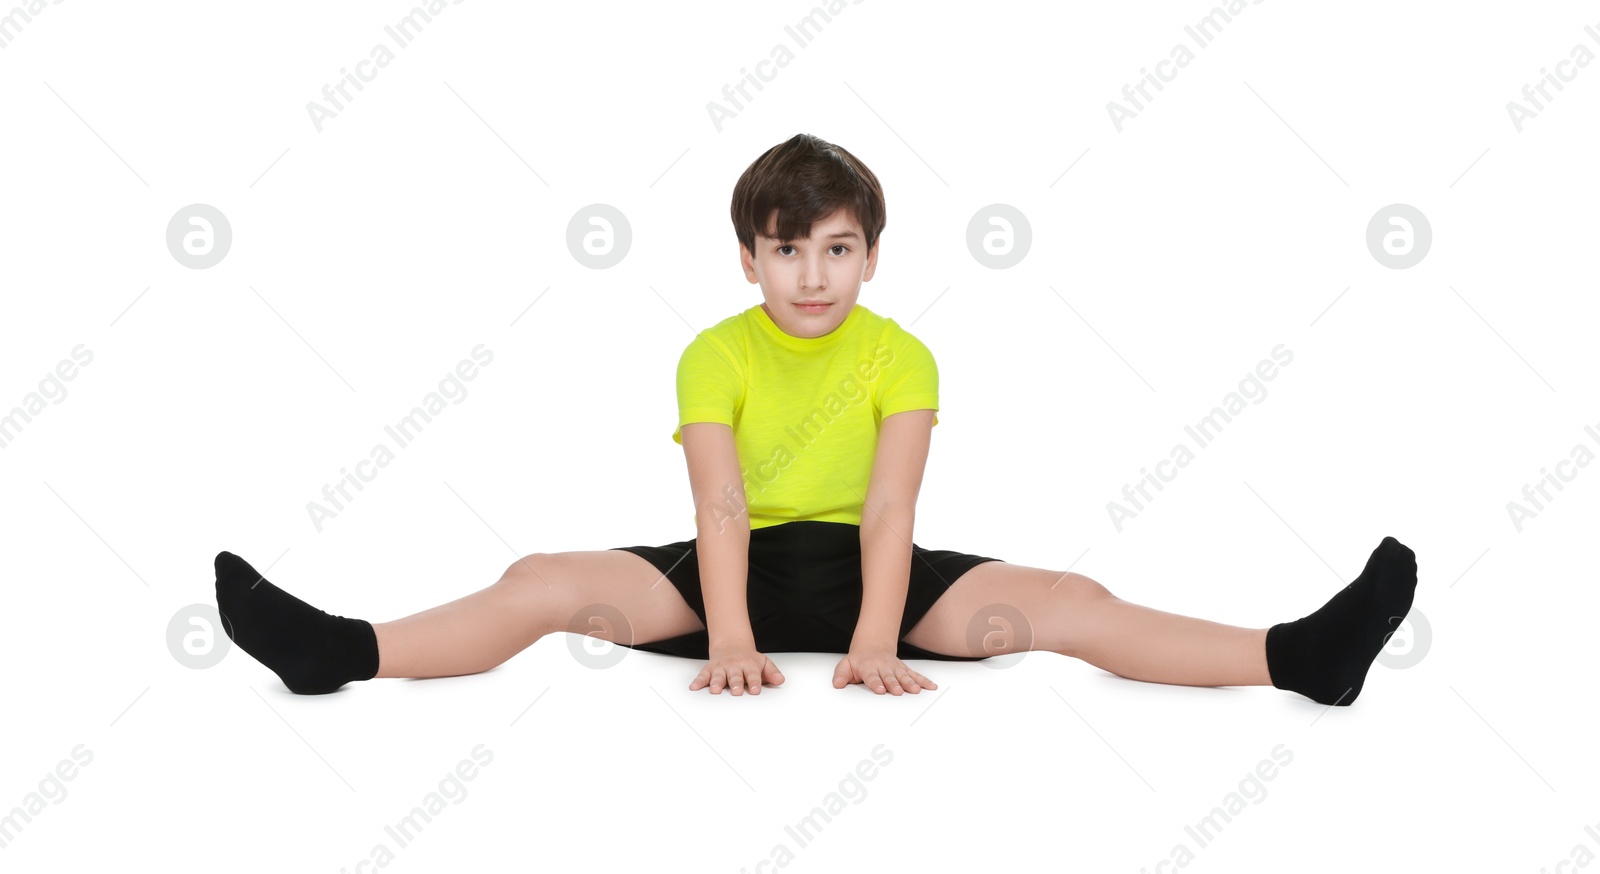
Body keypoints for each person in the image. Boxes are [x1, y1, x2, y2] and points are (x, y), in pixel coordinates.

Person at [212, 133, 1418, 705]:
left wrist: (879, 637)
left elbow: (892, 505)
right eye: (788, 251)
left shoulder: (902, 354)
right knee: (534, 577)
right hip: (717, 574)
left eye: (838, 249)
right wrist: (729, 639)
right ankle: (341, 651)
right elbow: (719, 503)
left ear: (872, 256)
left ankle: (1296, 657)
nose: (813, 276)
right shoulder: (711, 352)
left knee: (1069, 605)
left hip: (871, 571)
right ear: (749, 259)